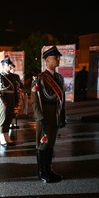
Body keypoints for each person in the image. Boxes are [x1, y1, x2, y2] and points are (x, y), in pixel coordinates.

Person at [31, 45, 66, 183]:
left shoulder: (59, 78)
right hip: (45, 114)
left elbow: (61, 100)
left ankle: (49, 169)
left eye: (58, 57)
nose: (58, 60)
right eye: (55, 57)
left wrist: (62, 117)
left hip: (55, 115)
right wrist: (40, 118)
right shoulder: (39, 78)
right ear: (46, 61)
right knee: (42, 144)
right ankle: (41, 172)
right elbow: (35, 101)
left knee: (50, 144)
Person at [0, 57, 17, 147]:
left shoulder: (11, 76)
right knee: (3, 120)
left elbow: (14, 89)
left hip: (11, 100)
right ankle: (2, 139)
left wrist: (16, 100)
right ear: (3, 66)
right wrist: (1, 100)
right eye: (8, 65)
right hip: (3, 100)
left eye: (10, 65)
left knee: (9, 119)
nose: (10, 66)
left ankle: (7, 138)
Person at [9, 63, 25, 129]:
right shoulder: (8, 76)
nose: (14, 69)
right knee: (11, 110)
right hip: (10, 95)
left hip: (17, 94)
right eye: (12, 68)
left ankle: (14, 123)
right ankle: (10, 124)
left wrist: (23, 88)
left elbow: (20, 84)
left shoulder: (16, 76)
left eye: (14, 68)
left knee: (16, 109)